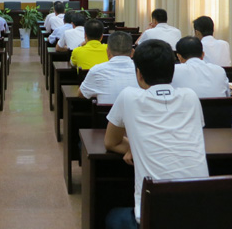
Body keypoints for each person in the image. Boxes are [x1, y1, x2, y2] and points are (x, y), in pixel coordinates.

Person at [104, 40, 208, 229]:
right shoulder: (191, 97)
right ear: (173, 70)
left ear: (139, 73)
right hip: (201, 215)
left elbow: (111, 142)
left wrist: (136, 147)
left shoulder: (128, 96)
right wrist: (139, 147)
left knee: (112, 217)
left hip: (154, 218)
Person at [78, 31, 139, 104]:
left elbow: (81, 94)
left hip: (106, 112)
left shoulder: (96, 70)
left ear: (108, 52)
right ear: (132, 52)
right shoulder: (142, 70)